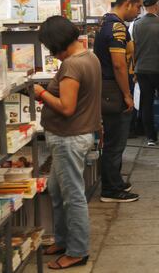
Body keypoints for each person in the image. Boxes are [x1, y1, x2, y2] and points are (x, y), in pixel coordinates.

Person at [34, 16, 102, 269]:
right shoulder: (90, 57)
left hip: (68, 138)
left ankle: (77, 250)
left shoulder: (72, 66)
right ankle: (63, 240)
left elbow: (66, 107)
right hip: (74, 137)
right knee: (58, 190)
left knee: (72, 196)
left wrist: (41, 93)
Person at [94, 0, 144, 202]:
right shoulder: (117, 28)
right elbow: (118, 65)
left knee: (115, 140)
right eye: (138, 7)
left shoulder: (106, 22)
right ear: (128, 4)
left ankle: (114, 181)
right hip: (114, 90)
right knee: (116, 141)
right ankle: (111, 190)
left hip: (108, 88)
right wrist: (126, 94)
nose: (139, 12)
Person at [132, 0, 159, 146]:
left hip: (141, 69)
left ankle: (150, 137)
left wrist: (134, 69)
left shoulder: (136, 24)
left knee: (146, 103)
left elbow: (133, 49)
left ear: (144, 7)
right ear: (156, 6)